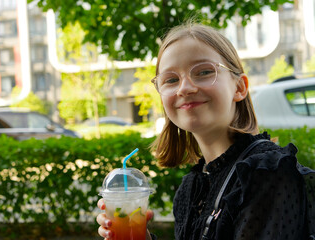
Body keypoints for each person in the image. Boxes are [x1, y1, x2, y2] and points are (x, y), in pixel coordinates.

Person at [96, 21, 309, 240]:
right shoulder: (191, 189)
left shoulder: (267, 174)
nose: (185, 88)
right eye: (171, 79)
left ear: (239, 87)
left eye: (204, 72)